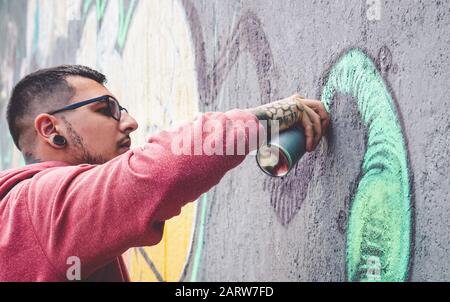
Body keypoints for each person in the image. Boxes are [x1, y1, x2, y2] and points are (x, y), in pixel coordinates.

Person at [0, 65, 329, 281]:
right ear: (50, 129)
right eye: (107, 110)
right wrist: (271, 117)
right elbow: (158, 172)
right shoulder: (33, 208)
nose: (129, 123)